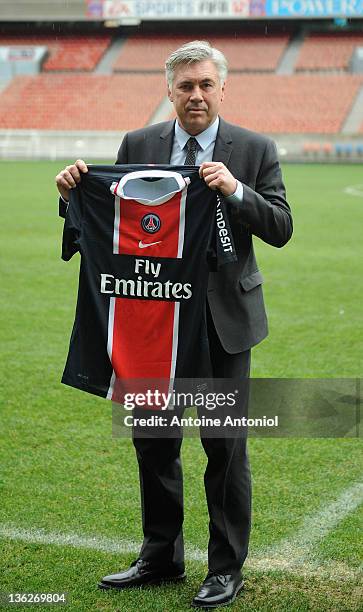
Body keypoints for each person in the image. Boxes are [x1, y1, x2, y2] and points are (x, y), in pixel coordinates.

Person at [56, 40, 292, 608]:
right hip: (153, 321)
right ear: (169, 90)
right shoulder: (140, 144)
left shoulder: (253, 148)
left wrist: (234, 190)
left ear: (222, 88)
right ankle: (161, 556)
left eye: (206, 84)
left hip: (221, 325)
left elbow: (281, 225)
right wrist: (71, 198)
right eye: (185, 86)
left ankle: (225, 568)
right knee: (154, 442)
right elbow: (115, 223)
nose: (196, 95)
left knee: (224, 447)